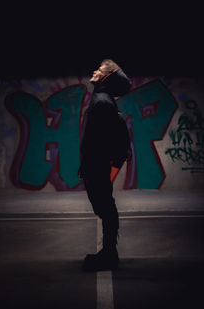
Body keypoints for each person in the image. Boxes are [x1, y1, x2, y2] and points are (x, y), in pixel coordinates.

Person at [78, 59, 131, 271]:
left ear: (106, 77)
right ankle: (109, 253)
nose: (95, 70)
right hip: (96, 163)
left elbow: (98, 140)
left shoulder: (102, 101)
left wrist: (89, 164)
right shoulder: (102, 99)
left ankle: (110, 255)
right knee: (105, 206)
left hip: (96, 164)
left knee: (105, 207)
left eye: (100, 69)